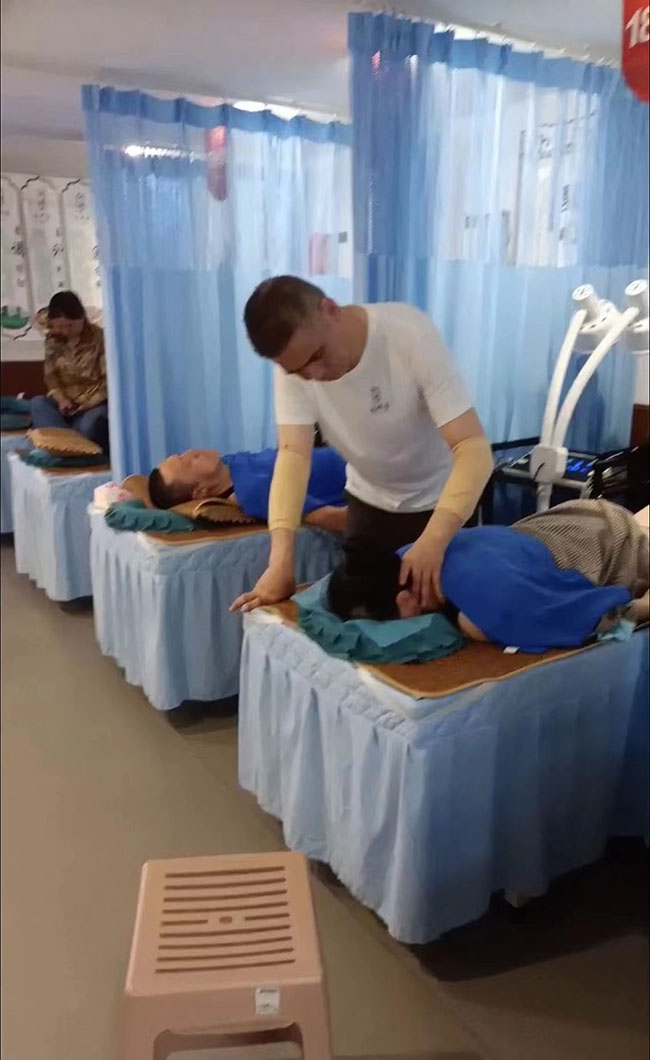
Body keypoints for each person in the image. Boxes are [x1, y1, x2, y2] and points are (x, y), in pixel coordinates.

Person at [231, 277, 494, 613]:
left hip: (441, 504)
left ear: (330, 310)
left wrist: (434, 539)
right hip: (370, 506)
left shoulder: (408, 334)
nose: (315, 375)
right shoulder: (294, 367)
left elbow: (473, 448)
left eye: (318, 355)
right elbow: (293, 455)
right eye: (300, 371)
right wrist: (279, 566)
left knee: (451, 616)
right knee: (353, 607)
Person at [327, 500, 650, 652]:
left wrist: (644, 606)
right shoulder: (411, 555)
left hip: (614, 541)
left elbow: (596, 618)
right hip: (569, 518)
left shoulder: (486, 607)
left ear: (404, 599)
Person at [147, 445, 348, 533]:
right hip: (360, 474)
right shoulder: (252, 492)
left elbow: (135, 483)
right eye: (187, 462)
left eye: (181, 454)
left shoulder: (227, 465)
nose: (192, 452)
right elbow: (329, 517)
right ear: (201, 492)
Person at [31, 291, 109, 453]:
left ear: (82, 318)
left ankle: (66, 441)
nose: (65, 331)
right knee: (38, 403)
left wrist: (85, 405)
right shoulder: (53, 339)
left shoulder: (100, 339)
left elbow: (107, 383)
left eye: (70, 326)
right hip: (66, 406)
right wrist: (61, 400)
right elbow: (51, 376)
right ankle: (69, 443)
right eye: (60, 327)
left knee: (92, 424)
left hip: (92, 405)